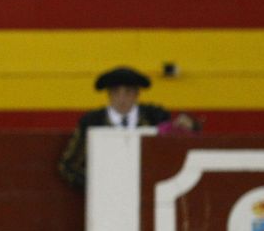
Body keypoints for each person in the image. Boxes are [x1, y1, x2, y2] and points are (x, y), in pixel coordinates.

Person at [57, 66, 199, 190]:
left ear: (137, 94)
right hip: (105, 200)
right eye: (116, 92)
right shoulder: (92, 121)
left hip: (148, 194)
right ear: (108, 94)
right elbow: (68, 166)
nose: (122, 98)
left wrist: (192, 126)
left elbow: (184, 141)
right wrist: (97, 186)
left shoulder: (155, 117)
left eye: (128, 92)